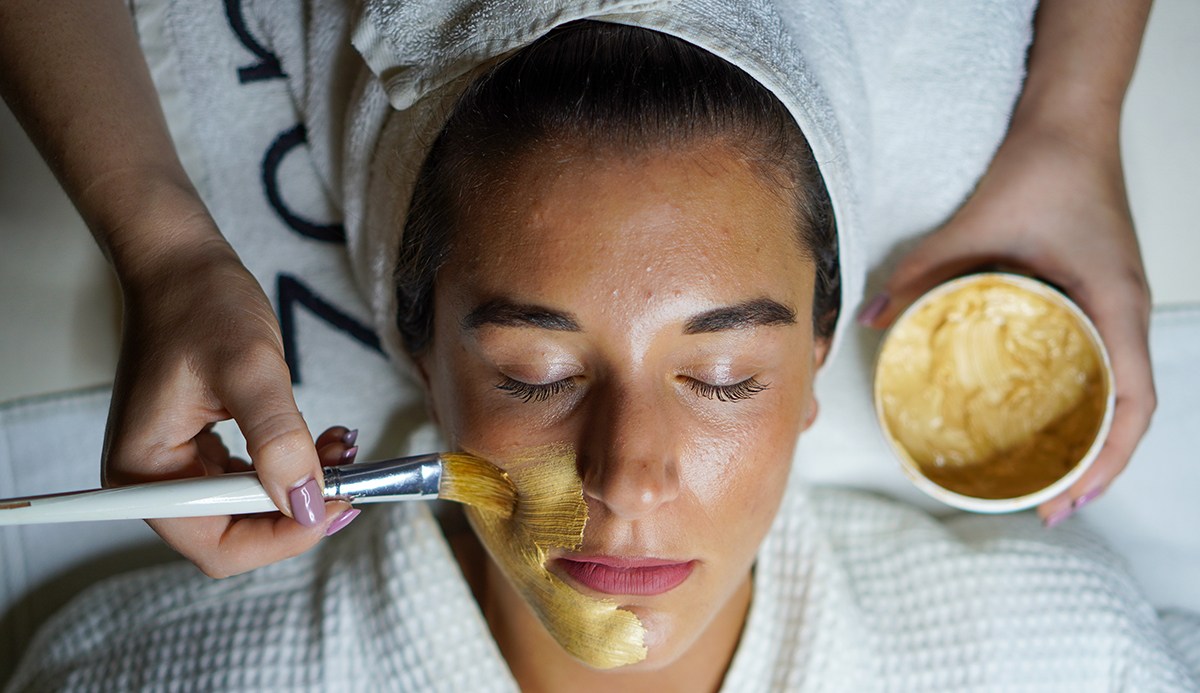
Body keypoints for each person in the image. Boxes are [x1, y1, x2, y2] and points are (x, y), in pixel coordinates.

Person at [5, 2, 1193, 691]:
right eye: (538, 372)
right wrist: (163, 253)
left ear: (821, 357)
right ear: (422, 348)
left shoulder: (1065, 662)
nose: (625, 476)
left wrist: (1076, 125)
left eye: (723, 379)